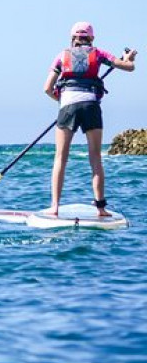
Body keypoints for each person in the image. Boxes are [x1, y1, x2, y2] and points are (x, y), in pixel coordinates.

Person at [43, 22, 136, 217]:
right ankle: (101, 208)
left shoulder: (62, 56)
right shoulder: (99, 53)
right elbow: (129, 67)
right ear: (91, 38)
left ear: (72, 38)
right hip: (91, 106)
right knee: (95, 158)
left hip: (67, 106)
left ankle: (54, 207)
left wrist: (61, 101)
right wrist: (128, 58)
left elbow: (47, 88)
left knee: (60, 157)